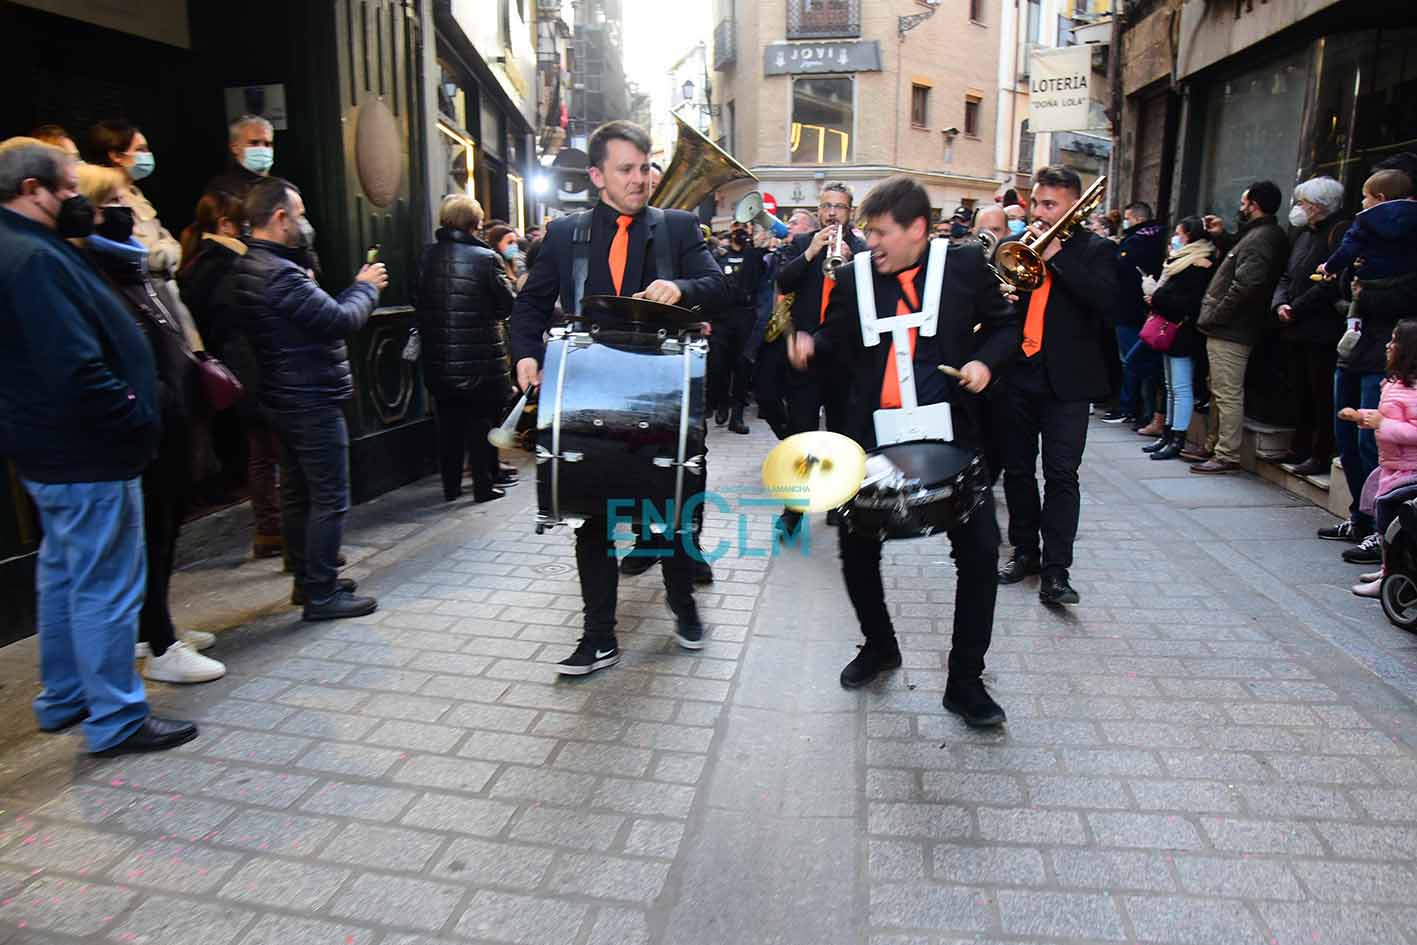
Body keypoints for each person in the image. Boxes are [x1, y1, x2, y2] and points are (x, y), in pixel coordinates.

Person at [790, 175, 1019, 724]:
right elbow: (837, 341)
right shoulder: (853, 278)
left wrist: (984, 363)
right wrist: (810, 348)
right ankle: (879, 645)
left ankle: (965, 680)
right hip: (873, 437)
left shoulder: (964, 266)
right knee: (856, 547)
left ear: (918, 229)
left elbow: (1006, 327)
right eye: (868, 232)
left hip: (952, 434)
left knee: (980, 552)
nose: (871, 243)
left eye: (881, 232)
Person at [509, 119, 729, 676]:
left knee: (673, 508)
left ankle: (682, 603)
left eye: (646, 167)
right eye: (626, 169)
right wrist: (525, 354)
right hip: (590, 393)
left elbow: (722, 287)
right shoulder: (566, 234)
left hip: (665, 393)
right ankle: (598, 637)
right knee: (593, 516)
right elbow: (530, 304)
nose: (641, 178)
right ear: (597, 175)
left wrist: (683, 287)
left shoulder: (678, 227)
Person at [0, 137, 196, 754]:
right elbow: (76, 367)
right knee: (104, 583)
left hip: (52, 449)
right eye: (65, 187)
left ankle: (64, 697)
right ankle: (116, 716)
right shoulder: (33, 258)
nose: (74, 197)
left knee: (64, 574)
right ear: (30, 190)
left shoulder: (27, 247)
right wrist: (133, 414)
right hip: (86, 450)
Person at [76, 163, 227, 684]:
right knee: (143, 537)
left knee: (163, 528)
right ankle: (158, 645)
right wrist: (147, 404)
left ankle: (156, 628)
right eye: (115, 202)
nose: (130, 211)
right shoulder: (93, 273)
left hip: (166, 414)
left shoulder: (130, 266)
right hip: (141, 423)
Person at [231, 177, 388, 620]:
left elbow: (311, 318)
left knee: (298, 493)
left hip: (282, 395)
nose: (305, 223)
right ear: (280, 218)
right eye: (299, 214)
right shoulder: (279, 274)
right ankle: (321, 593)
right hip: (309, 398)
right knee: (329, 496)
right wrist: (366, 287)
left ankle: (308, 580)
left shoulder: (252, 264)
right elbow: (339, 320)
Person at [997, 165, 1121, 606]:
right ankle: (1024, 552)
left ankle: (1056, 571)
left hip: (1069, 381)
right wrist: (1002, 297)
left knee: (1061, 475)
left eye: (1050, 204)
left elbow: (1108, 303)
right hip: (1019, 373)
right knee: (1017, 470)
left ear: (1074, 206)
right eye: (1037, 202)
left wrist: (1057, 259)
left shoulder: (1097, 251)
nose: (1040, 211)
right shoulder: (1018, 246)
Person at [177, 190, 285, 559]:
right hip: (252, 367)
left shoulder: (199, 264)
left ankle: (271, 529)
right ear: (225, 225)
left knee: (260, 450)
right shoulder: (226, 266)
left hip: (235, 368)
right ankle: (277, 529)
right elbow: (240, 321)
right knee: (272, 451)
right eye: (243, 224)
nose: (248, 231)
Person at [1321, 168, 1417, 558]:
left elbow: (1402, 298)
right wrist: (1351, 286)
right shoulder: (1363, 235)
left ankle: (1383, 527)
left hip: (1389, 354)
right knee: (1346, 436)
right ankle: (1360, 517)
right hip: (1355, 348)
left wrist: (1363, 289)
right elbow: (1344, 282)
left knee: (1373, 443)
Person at [777, 182, 867, 534]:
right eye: (826, 206)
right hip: (806, 354)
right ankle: (794, 508)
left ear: (850, 212)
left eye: (839, 207)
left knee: (842, 434)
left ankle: (839, 501)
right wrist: (811, 252)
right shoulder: (803, 243)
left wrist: (850, 262)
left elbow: (867, 299)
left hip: (845, 357)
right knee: (801, 433)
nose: (832, 213)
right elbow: (783, 282)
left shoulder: (861, 249)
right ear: (818, 210)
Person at [415, 194, 516, 503]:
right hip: (478, 358)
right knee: (481, 423)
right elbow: (506, 304)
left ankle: (451, 487)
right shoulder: (486, 259)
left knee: (448, 426)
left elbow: (415, 298)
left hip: (439, 358)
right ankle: (484, 487)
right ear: (475, 223)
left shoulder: (427, 256)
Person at [1187, 180, 1289, 473]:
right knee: (1218, 389)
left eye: (1244, 203)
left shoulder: (1263, 237)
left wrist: (1216, 314)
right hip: (1228, 326)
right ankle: (1214, 445)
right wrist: (1222, 237)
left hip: (1233, 328)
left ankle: (1226, 453)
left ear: (1254, 205)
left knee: (1227, 392)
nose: (1240, 208)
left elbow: (1247, 285)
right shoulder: (1256, 234)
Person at [1273, 176, 1350, 476]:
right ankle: (1299, 445)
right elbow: (1287, 275)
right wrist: (1280, 303)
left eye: (1303, 203)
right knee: (1300, 391)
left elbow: (1331, 283)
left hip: (1320, 328)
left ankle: (1320, 452)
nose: (1299, 207)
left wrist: (1296, 308)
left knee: (1320, 393)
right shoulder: (1303, 235)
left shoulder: (1338, 234)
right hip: (1294, 326)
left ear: (1318, 206)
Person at [1347, 321, 1417, 597]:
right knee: (1384, 519)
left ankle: (1393, 573)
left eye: (1394, 341)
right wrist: (1363, 417)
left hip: (1409, 469)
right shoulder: (1394, 384)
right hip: (1391, 465)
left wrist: (1382, 424)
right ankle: (1389, 568)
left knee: (1392, 518)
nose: (1388, 346)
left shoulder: (1413, 390)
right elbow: (1384, 417)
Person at [1141, 216, 1216, 461]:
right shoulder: (1180, 260)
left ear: (1189, 236)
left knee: (1181, 387)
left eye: (1179, 233)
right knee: (1171, 386)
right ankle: (1168, 433)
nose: (1175, 237)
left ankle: (1177, 438)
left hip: (1182, 332)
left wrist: (1156, 296)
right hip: (1172, 330)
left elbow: (1184, 302)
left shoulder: (1198, 263)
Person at [1104, 202, 1168, 432]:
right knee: (1139, 362)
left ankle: (1129, 408)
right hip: (1142, 310)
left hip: (1130, 310)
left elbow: (1122, 272)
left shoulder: (1136, 242)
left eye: (1128, 218)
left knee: (1132, 361)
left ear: (1138, 219)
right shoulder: (1155, 238)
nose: (1126, 222)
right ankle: (1139, 410)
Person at [710, 222, 765, 434]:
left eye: (746, 226)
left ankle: (737, 416)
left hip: (745, 316)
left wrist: (753, 248)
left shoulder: (755, 255)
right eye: (737, 226)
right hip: (721, 317)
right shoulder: (719, 255)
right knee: (719, 366)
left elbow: (755, 280)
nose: (741, 230)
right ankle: (722, 402)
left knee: (742, 366)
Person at [1318, 169, 1417, 282]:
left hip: (1374, 282)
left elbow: (1347, 251)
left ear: (1380, 198)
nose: (1362, 202)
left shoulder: (1365, 222)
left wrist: (1328, 268)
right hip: (1408, 283)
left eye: (1365, 197)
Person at [204, 115, 276, 200]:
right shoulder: (222, 191)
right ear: (234, 147)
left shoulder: (280, 188)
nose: (262, 149)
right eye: (254, 143)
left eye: (267, 144)